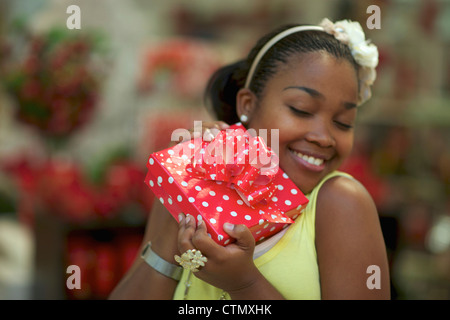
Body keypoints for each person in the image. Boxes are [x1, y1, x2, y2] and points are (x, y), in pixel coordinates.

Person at [109, 18, 390, 300]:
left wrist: (245, 285)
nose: (324, 137)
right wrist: (174, 208)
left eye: (343, 122)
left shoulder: (341, 202)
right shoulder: (201, 191)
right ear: (247, 104)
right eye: (301, 110)